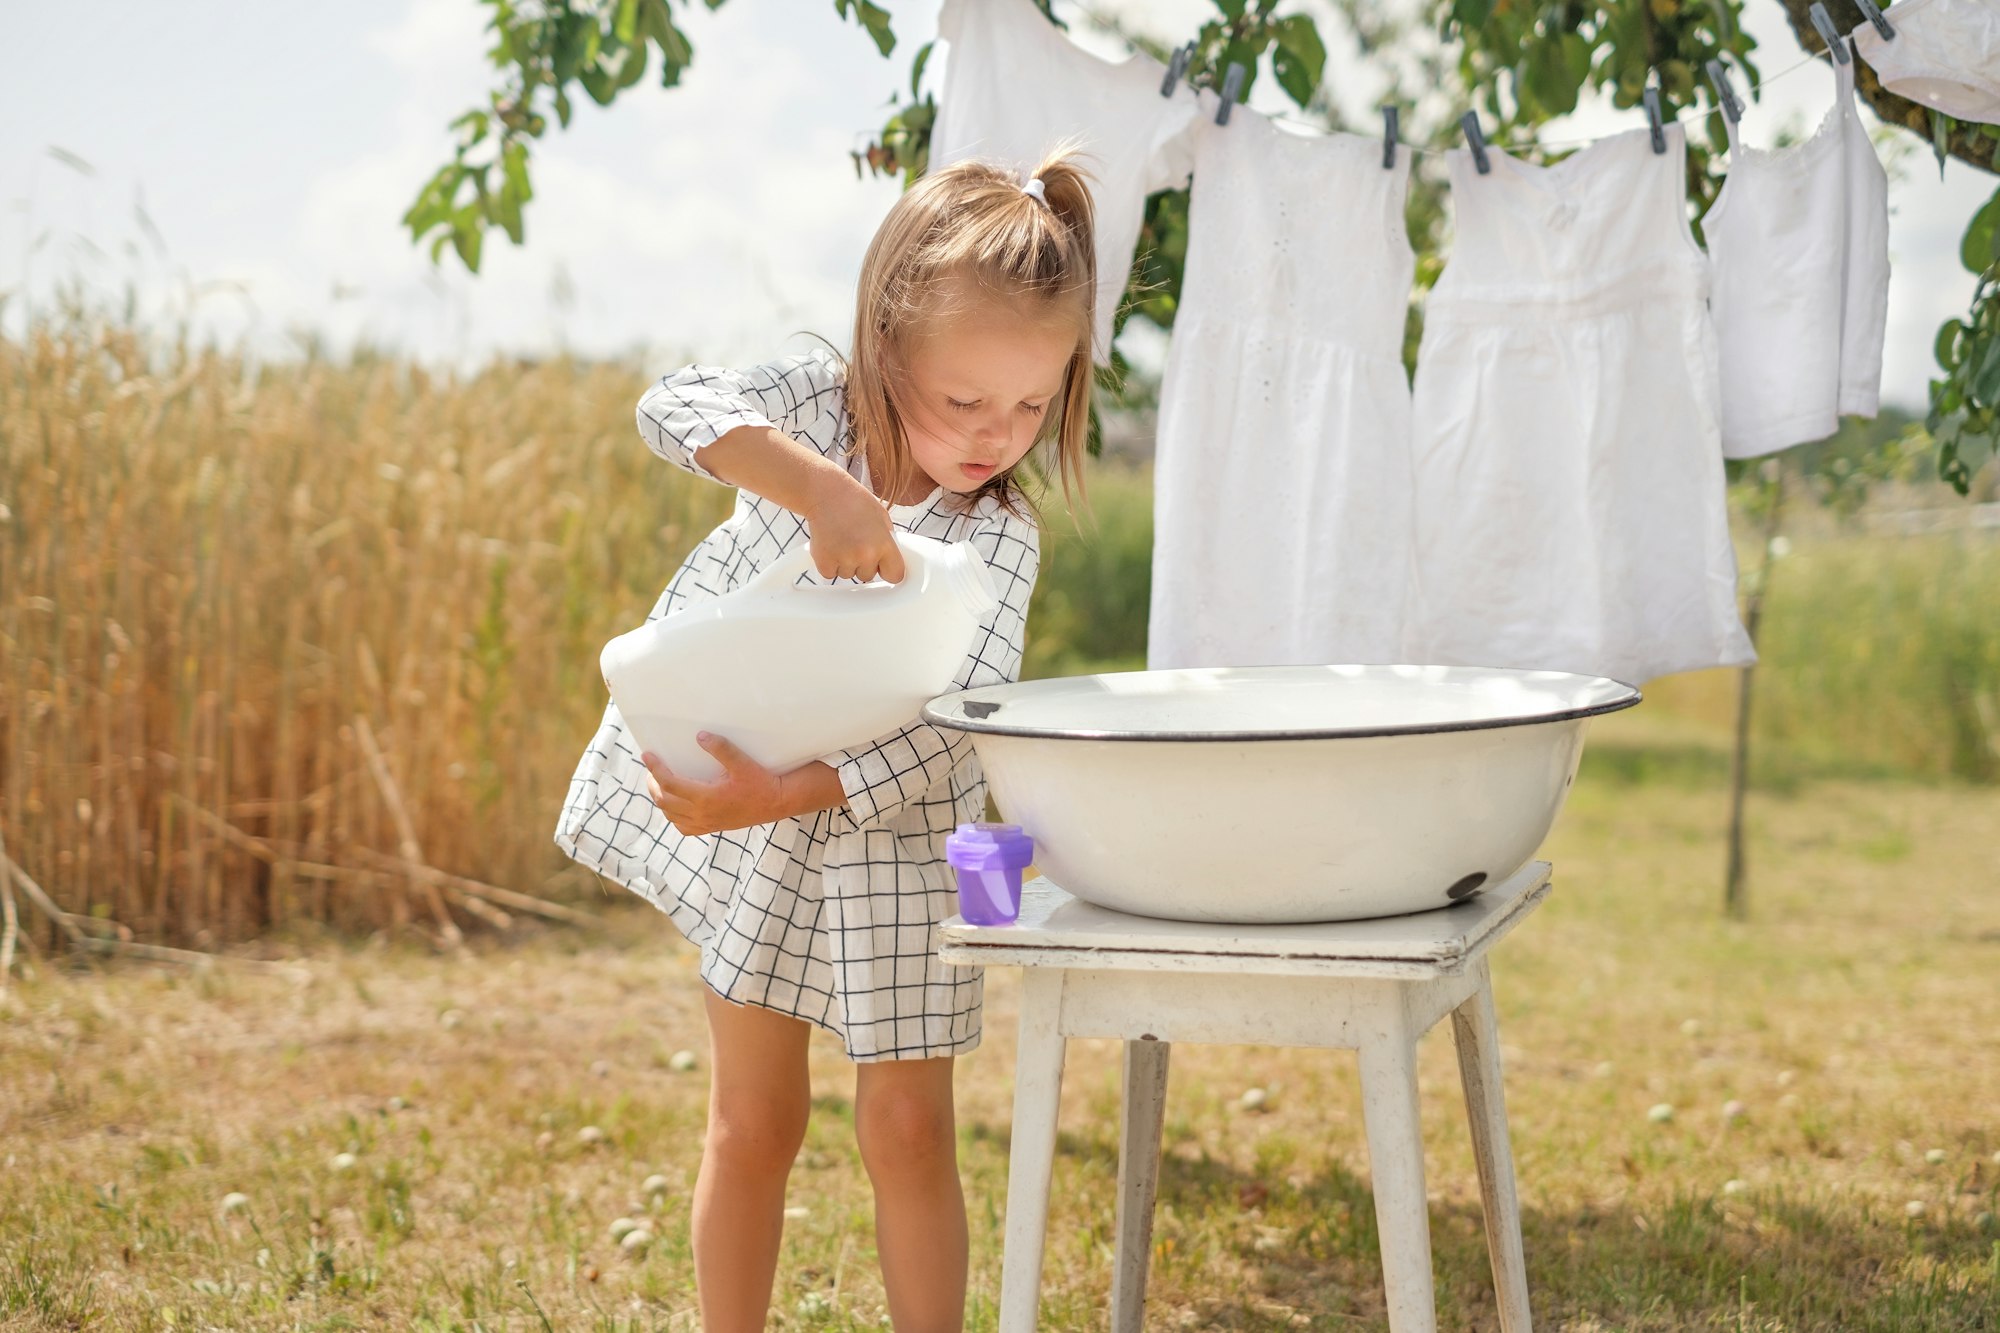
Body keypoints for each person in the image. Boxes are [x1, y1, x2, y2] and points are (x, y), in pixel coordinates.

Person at [552, 145, 1099, 1330]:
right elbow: (672, 403)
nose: (994, 434)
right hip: (751, 820)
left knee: (905, 1128)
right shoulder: (812, 411)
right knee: (755, 1119)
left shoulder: (998, 537)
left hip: (891, 841)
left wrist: (794, 788)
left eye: (1028, 403)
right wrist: (822, 491)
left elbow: (945, 734)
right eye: (964, 400)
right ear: (889, 344)